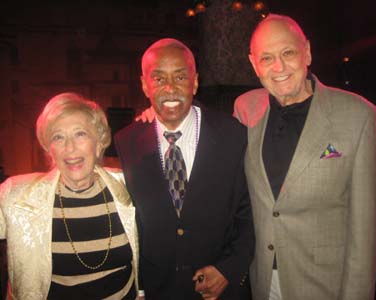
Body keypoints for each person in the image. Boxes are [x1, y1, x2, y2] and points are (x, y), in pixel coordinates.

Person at [233, 14, 376, 300]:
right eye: (266, 58)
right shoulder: (245, 109)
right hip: (262, 280)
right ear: (254, 64)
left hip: (325, 285)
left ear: (307, 52)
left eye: (287, 53)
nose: (278, 67)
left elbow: (365, 230)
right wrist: (162, 118)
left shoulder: (359, 116)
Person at [114, 38, 254, 300]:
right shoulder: (127, 142)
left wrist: (229, 269)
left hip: (222, 292)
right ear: (145, 85)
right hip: (158, 291)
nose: (169, 88)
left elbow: (250, 212)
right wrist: (139, 287)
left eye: (180, 77)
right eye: (158, 79)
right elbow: (132, 222)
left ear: (195, 82)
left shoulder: (233, 135)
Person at [0, 93, 141, 299]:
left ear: (100, 142)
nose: (70, 148)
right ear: (49, 148)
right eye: (58, 137)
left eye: (80, 134)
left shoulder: (129, 185)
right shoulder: (18, 196)